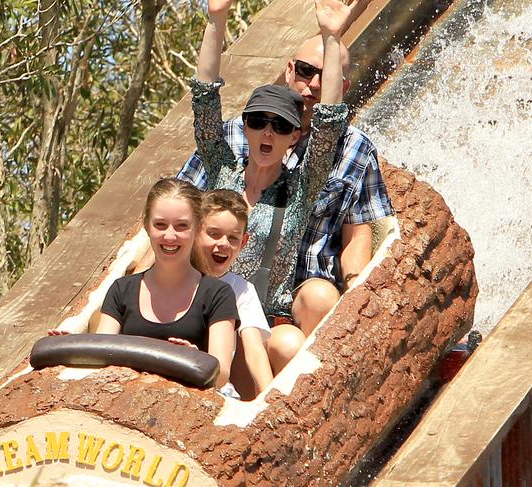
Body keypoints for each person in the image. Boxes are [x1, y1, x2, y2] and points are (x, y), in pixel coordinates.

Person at [178, 0, 393, 372]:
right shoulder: (223, 165)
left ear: (294, 137)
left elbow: (328, 127)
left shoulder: (299, 190)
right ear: (244, 127)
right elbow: (204, 100)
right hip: (208, 304)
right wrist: (216, 19)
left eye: (279, 127)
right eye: (259, 121)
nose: (267, 132)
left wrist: (331, 36)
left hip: (269, 314)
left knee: (290, 340)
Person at [88, 178, 239, 388]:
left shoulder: (218, 294)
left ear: (198, 228)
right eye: (160, 225)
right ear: (147, 227)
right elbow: (100, 356)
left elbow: (221, 374)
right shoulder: (121, 290)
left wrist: (196, 360)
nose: (170, 235)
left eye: (181, 226)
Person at [196, 189, 273, 399]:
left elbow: (255, 351)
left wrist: (269, 398)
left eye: (232, 238)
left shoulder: (241, 289)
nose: (223, 243)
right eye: (213, 234)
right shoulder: (179, 278)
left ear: (243, 242)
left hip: (220, 391)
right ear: (195, 232)